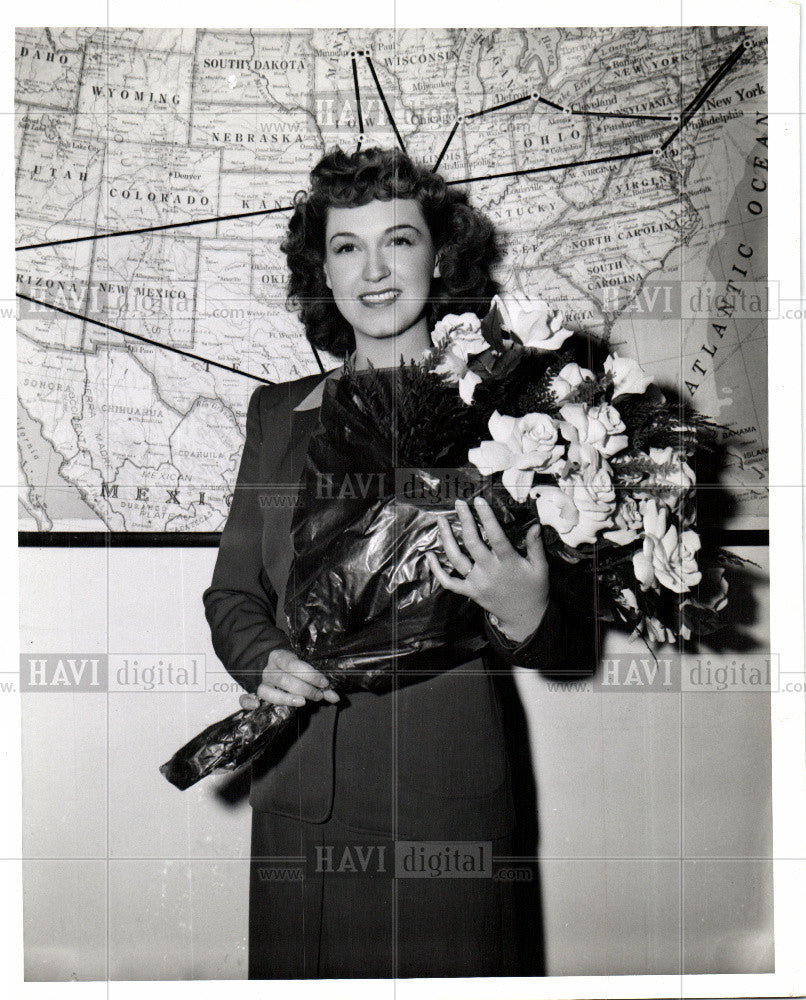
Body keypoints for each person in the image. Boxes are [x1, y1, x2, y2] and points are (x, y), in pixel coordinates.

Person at [203, 145, 601, 979]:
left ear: (441, 256)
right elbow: (234, 594)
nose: (375, 271)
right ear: (325, 271)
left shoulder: (512, 415)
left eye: (400, 241)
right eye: (348, 247)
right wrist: (265, 657)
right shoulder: (277, 415)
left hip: (447, 809)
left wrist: (523, 605)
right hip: (302, 803)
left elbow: (573, 647)